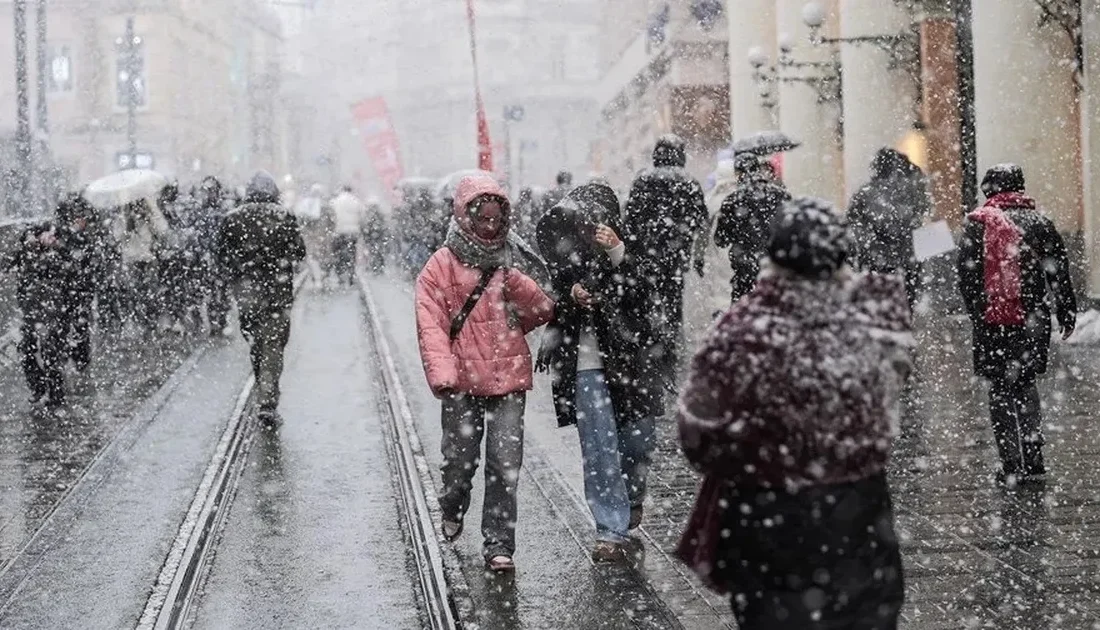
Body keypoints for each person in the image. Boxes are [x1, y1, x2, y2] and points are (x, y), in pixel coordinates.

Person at [675, 197, 912, 629]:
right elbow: (889, 403)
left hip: (764, 520)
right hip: (859, 518)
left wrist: (754, 453)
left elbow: (696, 434)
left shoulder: (740, 330)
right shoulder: (872, 322)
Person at [415, 174, 554, 572]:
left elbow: (541, 306)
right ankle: (453, 502)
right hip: (460, 384)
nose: (491, 227)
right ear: (465, 217)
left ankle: (498, 544)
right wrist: (443, 374)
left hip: (508, 381)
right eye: (484, 219)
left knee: (504, 463)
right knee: (459, 462)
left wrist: (518, 314)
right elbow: (431, 325)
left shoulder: (510, 259)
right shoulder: (440, 266)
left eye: (497, 219)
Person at [535, 183, 660, 562]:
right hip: (585, 363)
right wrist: (571, 294)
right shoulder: (564, 251)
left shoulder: (629, 242)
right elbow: (554, 300)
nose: (589, 226)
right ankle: (609, 530)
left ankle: (632, 498)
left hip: (630, 363)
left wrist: (618, 252)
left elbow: (648, 295)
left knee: (637, 442)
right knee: (600, 448)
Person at [957, 164, 1076, 485]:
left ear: (989, 189)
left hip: (993, 321)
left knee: (999, 389)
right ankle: (1034, 458)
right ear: (1020, 188)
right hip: (1031, 318)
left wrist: (980, 313)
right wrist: (1066, 310)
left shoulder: (977, 224)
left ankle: (1011, 463)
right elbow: (1058, 272)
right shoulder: (1040, 223)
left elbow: (967, 279)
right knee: (1025, 385)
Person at [217, 171, 307, 423]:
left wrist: (239, 271)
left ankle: (262, 380)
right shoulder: (284, 216)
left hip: (246, 291)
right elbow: (299, 252)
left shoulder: (232, 219)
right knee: (274, 343)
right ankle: (268, 397)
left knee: (255, 339)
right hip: (278, 292)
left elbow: (221, 257)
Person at [622, 134, 709, 371]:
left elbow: (630, 220)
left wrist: (630, 253)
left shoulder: (642, 180)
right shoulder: (689, 182)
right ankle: (670, 342)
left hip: (647, 254)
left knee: (648, 297)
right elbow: (702, 223)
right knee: (673, 299)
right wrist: (698, 257)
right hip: (676, 256)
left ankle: (651, 342)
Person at [5, 215, 82, 409]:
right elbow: (6, 263)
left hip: (54, 311)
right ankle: (38, 387)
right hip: (31, 311)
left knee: (51, 354)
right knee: (27, 350)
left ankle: (56, 395)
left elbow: (73, 271)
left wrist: (56, 249)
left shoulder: (57, 253)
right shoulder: (25, 253)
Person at [847, 148, 932, 307]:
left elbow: (854, 227)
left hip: (875, 261)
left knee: (877, 307)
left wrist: (863, 250)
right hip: (907, 259)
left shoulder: (866, 193)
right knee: (906, 304)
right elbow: (923, 214)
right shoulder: (911, 190)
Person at [713, 153, 791, 304]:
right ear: (758, 170)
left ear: (738, 174)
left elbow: (721, 239)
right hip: (775, 266)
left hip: (745, 269)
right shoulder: (781, 196)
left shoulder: (732, 201)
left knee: (742, 313)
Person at [196, 176, 231, 335]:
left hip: (222, 257)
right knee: (210, 293)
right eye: (207, 191)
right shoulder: (201, 212)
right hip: (207, 257)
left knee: (222, 292)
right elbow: (198, 234)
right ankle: (214, 322)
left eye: (212, 191)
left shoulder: (224, 211)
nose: (209, 194)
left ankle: (221, 321)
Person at [329, 185, 365, 285]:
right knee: (352, 251)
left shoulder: (335, 201)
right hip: (353, 231)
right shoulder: (356, 201)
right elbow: (362, 216)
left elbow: (331, 216)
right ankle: (351, 272)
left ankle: (339, 273)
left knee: (337, 252)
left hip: (338, 231)